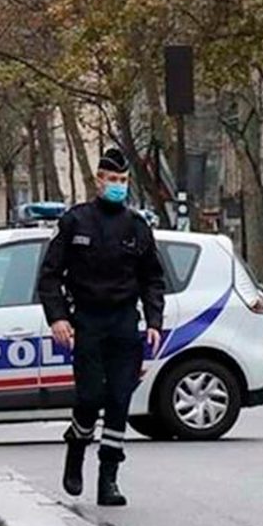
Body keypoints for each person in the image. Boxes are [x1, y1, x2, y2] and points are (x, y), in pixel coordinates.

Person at [36, 148, 166, 506]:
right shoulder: (75, 222)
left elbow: (153, 278)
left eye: (123, 181)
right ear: (98, 180)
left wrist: (154, 320)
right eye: (112, 180)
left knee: (119, 401)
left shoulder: (137, 226)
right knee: (91, 397)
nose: (118, 186)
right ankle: (76, 445)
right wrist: (58, 317)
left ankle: (108, 478)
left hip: (124, 321)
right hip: (88, 321)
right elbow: (50, 276)